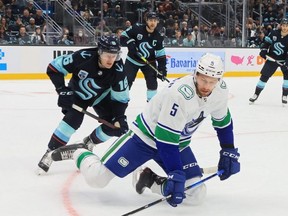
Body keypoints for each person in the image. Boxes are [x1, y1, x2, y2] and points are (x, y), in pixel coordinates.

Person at [51, 53, 240, 207]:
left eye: (211, 81)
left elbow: (222, 123)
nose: (207, 86)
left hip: (178, 144)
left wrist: (228, 150)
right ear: (195, 74)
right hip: (143, 139)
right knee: (97, 178)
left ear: (218, 80)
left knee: (195, 194)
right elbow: (165, 139)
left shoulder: (220, 91)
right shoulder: (180, 95)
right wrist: (175, 171)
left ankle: (150, 179)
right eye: (203, 80)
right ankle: (80, 152)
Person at [37, 35, 130, 173]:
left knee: (117, 126)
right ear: (99, 52)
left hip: (101, 98)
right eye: (107, 55)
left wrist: (119, 117)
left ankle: (89, 143)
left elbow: (121, 98)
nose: (111, 59)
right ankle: (50, 152)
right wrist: (62, 90)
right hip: (77, 94)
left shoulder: (118, 71)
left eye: (114, 55)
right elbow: (54, 68)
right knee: (71, 121)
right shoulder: (82, 57)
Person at [120, 11, 167, 102]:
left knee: (152, 84)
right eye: (150, 20)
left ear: (157, 21)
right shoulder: (136, 28)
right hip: (132, 60)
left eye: (155, 20)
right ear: (146, 20)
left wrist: (162, 69)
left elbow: (161, 55)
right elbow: (122, 37)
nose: (153, 23)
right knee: (126, 81)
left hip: (149, 62)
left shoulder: (158, 36)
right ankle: (121, 101)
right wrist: (130, 44)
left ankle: (152, 103)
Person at [249, 18, 288, 106]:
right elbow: (266, 42)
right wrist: (264, 50)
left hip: (284, 60)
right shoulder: (274, 33)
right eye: (283, 25)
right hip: (272, 59)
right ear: (281, 25)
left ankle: (285, 95)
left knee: (287, 78)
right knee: (264, 77)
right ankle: (256, 94)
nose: (285, 27)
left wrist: (287, 63)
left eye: (286, 26)